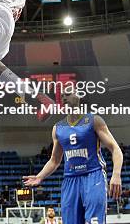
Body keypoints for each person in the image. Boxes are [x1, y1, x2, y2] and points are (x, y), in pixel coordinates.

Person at [23, 91, 123, 224]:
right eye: (62, 95)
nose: (64, 97)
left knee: (94, 221)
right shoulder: (58, 128)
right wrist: (40, 176)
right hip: (70, 179)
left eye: (68, 93)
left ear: (80, 95)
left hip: (93, 175)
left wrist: (116, 174)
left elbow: (115, 149)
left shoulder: (94, 120)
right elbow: (54, 160)